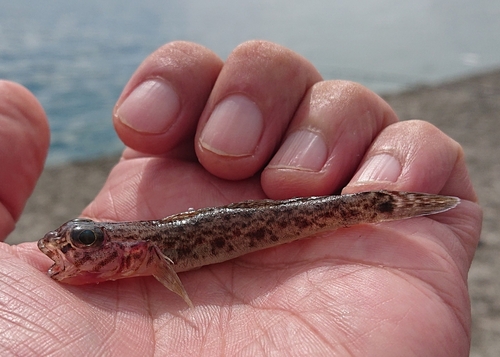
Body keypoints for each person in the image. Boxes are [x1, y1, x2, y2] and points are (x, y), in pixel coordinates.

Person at [0, 41, 481, 356]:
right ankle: (384, 203)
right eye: (78, 238)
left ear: (134, 251)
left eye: (83, 238)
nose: (69, 250)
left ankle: (387, 204)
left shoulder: (147, 253)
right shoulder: (131, 261)